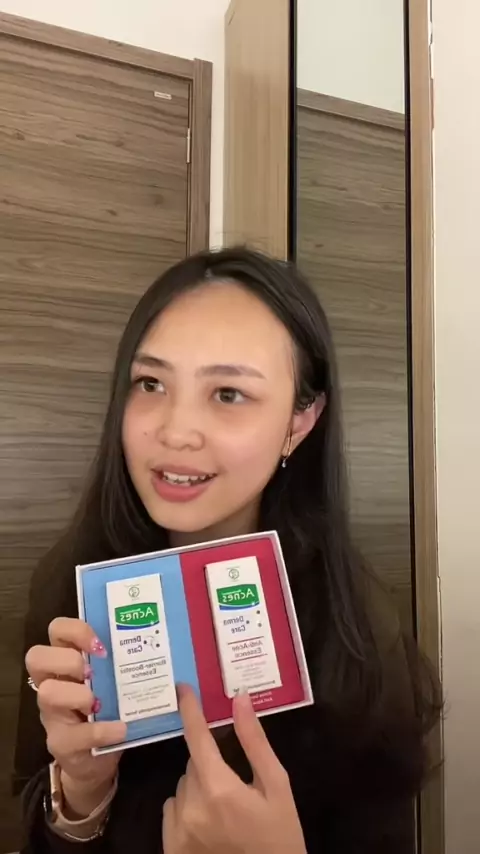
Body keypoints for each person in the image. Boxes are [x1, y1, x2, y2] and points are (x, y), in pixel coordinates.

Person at [14, 247, 441, 853]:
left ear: (300, 422)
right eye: (151, 383)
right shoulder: (70, 589)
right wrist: (82, 795)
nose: (175, 432)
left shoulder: (360, 628)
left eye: (229, 394)